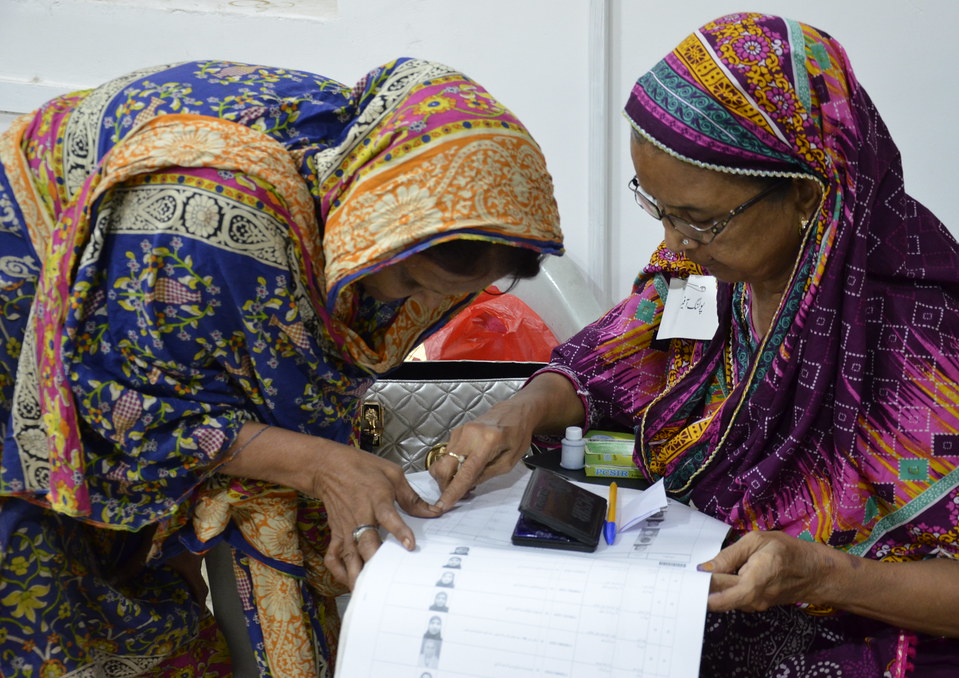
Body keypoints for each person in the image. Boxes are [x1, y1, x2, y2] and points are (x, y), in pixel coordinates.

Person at [430, 12, 959, 676]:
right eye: (658, 209)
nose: (675, 243)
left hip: (860, 633)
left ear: (804, 195)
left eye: (700, 219)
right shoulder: (709, 277)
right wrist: (522, 411)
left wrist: (826, 576)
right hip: (721, 598)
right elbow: (610, 359)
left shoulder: (915, 351)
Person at [0, 58, 562, 675]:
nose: (416, 308)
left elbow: (285, 376)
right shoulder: (212, 218)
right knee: (53, 592)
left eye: (447, 295)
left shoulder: (388, 170)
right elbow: (116, 405)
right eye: (408, 281)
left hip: (158, 291)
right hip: (28, 296)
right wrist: (320, 466)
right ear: (368, 225)